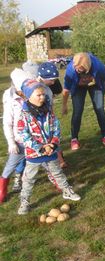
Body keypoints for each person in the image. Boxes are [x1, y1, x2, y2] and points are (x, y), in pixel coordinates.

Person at [17, 80, 81, 215]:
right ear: (28, 96)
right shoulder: (24, 116)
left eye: (43, 94)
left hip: (50, 151)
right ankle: (25, 201)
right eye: (38, 95)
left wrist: (53, 144)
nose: (42, 97)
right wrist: (40, 147)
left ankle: (66, 191)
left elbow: (56, 128)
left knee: (57, 172)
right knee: (28, 179)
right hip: (34, 154)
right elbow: (24, 135)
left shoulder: (48, 111)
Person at [62, 52, 105, 150]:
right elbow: (66, 90)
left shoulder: (98, 66)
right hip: (78, 87)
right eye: (76, 69)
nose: (77, 70)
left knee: (99, 109)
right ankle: (74, 139)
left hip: (96, 85)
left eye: (81, 69)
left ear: (88, 67)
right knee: (77, 111)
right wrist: (64, 105)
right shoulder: (70, 70)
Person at [0, 69, 35, 203]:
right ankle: (2, 190)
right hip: (19, 140)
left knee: (46, 162)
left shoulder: (33, 94)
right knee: (11, 165)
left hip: (34, 139)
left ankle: (59, 183)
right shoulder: (10, 100)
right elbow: (7, 123)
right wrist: (11, 142)